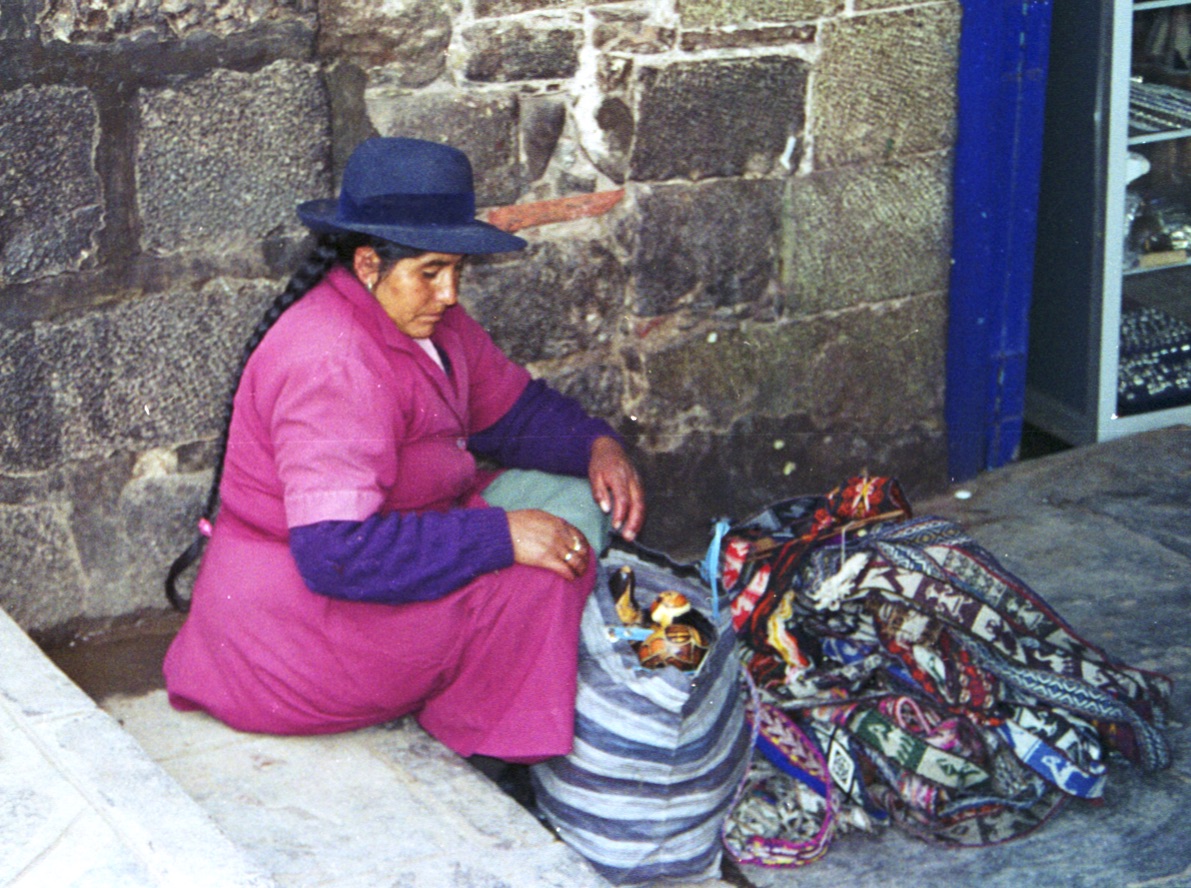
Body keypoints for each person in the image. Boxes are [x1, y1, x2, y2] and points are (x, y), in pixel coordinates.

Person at [162, 137, 646, 766]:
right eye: (431, 272)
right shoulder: (331, 363)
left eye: (456, 272)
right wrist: (501, 539)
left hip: (367, 567)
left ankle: (479, 677)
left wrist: (597, 445)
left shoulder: (426, 321)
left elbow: (513, 412)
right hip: (302, 643)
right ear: (368, 265)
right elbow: (335, 553)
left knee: (581, 498)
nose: (449, 293)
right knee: (547, 573)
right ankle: (489, 742)